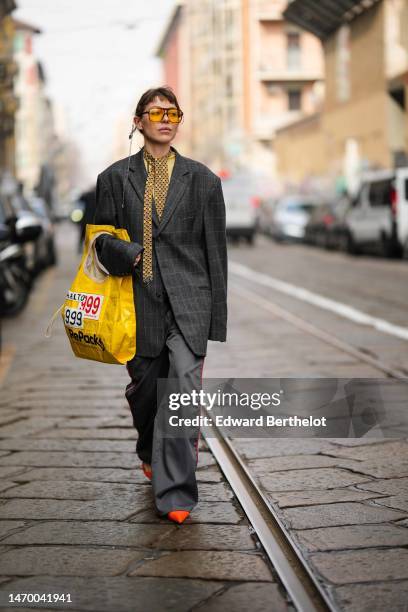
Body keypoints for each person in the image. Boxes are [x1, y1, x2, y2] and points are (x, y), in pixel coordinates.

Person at [93, 86, 228, 524]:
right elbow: (97, 240)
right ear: (139, 122)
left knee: (182, 397)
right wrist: (127, 252)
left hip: (189, 304)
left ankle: (175, 495)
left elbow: (216, 253)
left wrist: (215, 319)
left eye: (173, 112)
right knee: (148, 394)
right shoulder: (114, 178)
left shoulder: (204, 180)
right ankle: (148, 447)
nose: (166, 119)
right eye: (156, 113)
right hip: (137, 304)